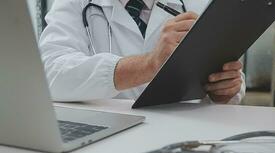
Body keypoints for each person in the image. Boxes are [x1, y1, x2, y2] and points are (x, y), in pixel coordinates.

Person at [39, 0, 246, 104]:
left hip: (184, 136)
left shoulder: (197, 4)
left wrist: (224, 90)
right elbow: (48, 74)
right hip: (105, 138)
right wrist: (148, 64)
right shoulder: (75, 3)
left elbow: (222, 65)